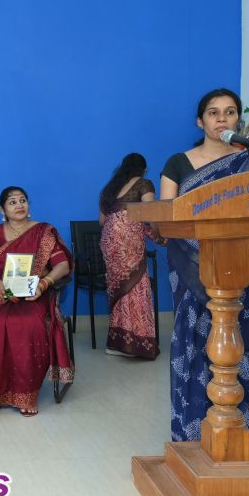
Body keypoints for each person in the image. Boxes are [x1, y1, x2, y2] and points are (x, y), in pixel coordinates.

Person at [160, 87, 249, 445]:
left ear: (238, 119)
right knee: (193, 343)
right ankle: (191, 433)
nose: (222, 119)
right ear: (200, 121)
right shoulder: (178, 163)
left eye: (230, 112)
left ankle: (236, 431)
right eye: (214, 112)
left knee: (239, 343)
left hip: (238, 267)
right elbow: (167, 219)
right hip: (190, 268)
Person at [0, 186, 74, 415]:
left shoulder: (43, 231)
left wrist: (44, 283)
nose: (19, 205)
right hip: (0, 294)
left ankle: (25, 395)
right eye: (12, 202)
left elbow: (63, 266)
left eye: (22, 200)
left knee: (26, 325)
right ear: (2, 209)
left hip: (34, 295)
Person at [98, 152, 161, 359]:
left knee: (120, 289)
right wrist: (161, 235)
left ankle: (116, 344)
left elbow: (102, 222)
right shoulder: (144, 184)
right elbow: (150, 215)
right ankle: (135, 345)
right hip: (129, 242)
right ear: (144, 169)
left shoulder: (110, 189)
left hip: (110, 243)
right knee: (136, 287)